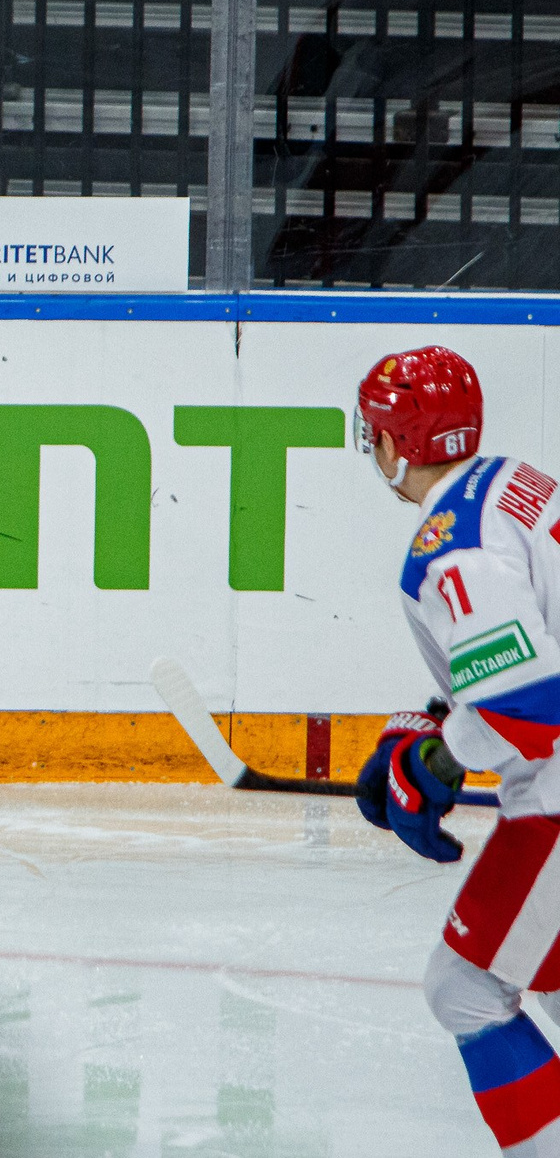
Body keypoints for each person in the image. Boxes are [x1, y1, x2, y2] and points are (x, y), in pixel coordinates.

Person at [348, 347, 560, 1158]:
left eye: (375, 430)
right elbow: (512, 656)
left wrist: (434, 763)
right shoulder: (511, 480)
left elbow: (530, 700)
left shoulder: (451, 542)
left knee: (464, 985)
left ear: (398, 444)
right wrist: (429, 723)